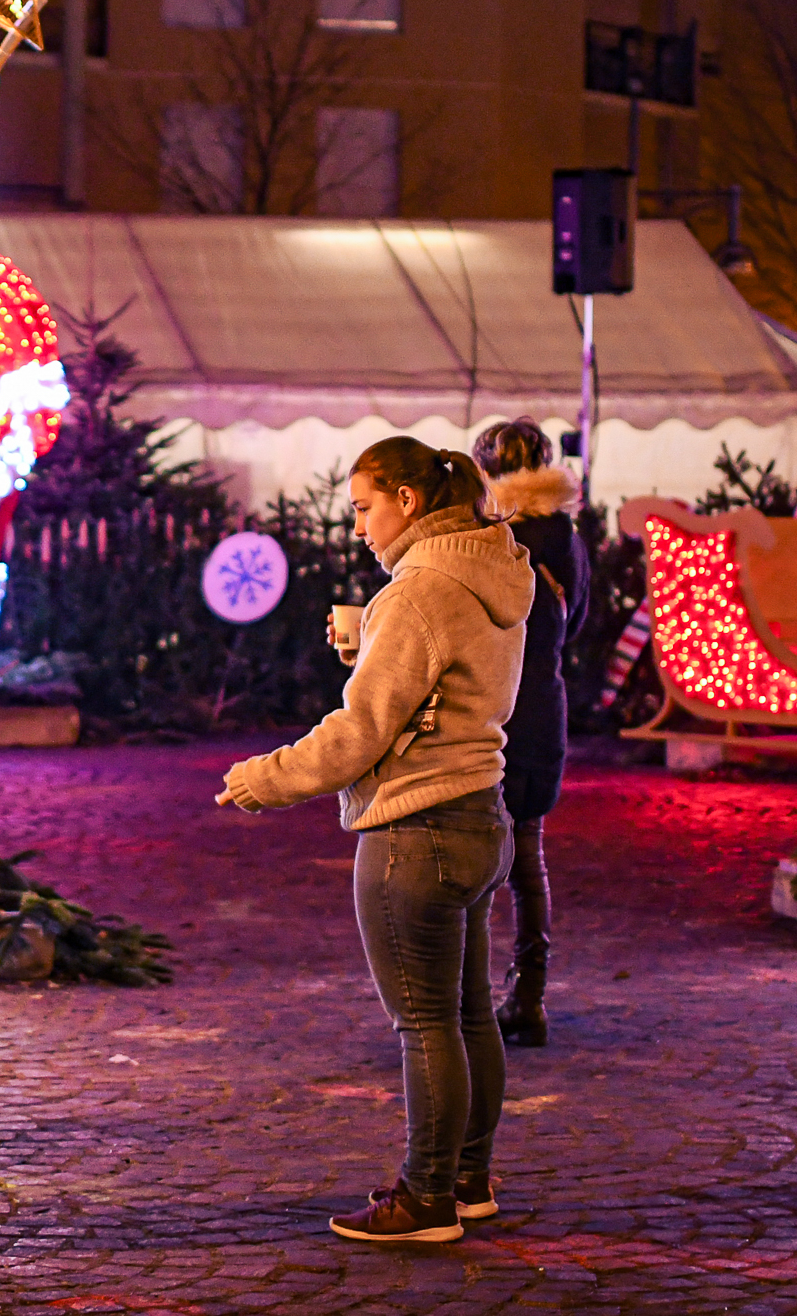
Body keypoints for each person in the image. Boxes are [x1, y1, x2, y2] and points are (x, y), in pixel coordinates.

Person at [216, 437, 532, 1245]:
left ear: (409, 501)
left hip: (413, 830)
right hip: (479, 814)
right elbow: (447, 691)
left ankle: (424, 1199)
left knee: (426, 1022)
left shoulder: (419, 591)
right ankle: (468, 1180)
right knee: (467, 1018)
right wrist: (369, 648)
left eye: (364, 508)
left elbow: (360, 733)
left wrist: (267, 778)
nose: (358, 527)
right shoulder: (497, 571)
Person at [472, 419, 588, 1049]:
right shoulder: (566, 538)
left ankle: (472, 995)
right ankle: (528, 994)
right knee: (528, 855)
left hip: (495, 711)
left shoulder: (494, 542)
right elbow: (576, 624)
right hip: (546, 703)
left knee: (477, 856)